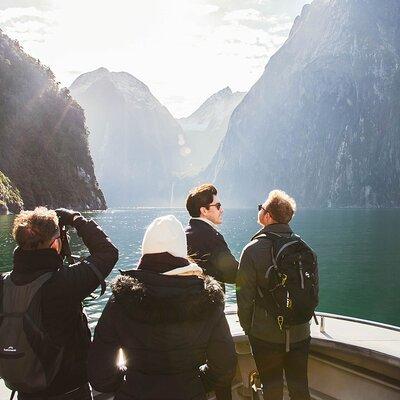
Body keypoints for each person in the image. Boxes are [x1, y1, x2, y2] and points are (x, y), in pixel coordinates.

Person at [88, 215, 237, 400]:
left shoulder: (121, 300)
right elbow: (225, 365)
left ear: (145, 251)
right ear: (182, 252)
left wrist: (127, 383)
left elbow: (100, 373)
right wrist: (197, 382)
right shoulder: (208, 299)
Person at [3, 207, 118, 400]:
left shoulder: (3, 284)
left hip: (25, 391)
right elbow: (107, 252)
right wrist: (76, 218)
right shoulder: (64, 283)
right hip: (69, 390)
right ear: (56, 244)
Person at [237, 190, 312, 400]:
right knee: (300, 389)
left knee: (272, 390)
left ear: (268, 216)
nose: (260, 209)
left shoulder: (252, 250)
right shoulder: (304, 248)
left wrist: (248, 328)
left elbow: (244, 297)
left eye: (262, 207)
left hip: (265, 335)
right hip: (300, 331)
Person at [185, 183, 238, 286]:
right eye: (218, 206)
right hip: (208, 299)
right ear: (204, 210)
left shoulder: (183, 234)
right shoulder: (212, 237)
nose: (222, 210)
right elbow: (233, 274)